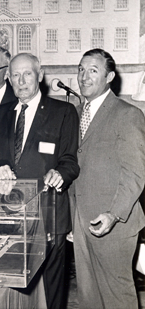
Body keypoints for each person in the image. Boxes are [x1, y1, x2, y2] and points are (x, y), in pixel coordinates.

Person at [0, 53, 80, 309]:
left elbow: (70, 161)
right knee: (12, 287)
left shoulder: (63, 112)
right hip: (8, 214)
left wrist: (59, 174)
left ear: (40, 75)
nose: (21, 80)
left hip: (50, 214)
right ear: (9, 78)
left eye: (27, 74)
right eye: (15, 75)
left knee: (51, 290)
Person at [71, 49, 145, 309]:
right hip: (81, 222)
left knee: (117, 296)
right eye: (81, 69)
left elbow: (135, 173)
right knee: (89, 296)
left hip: (114, 222)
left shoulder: (128, 114)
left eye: (93, 70)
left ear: (110, 76)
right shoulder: (75, 113)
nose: (84, 76)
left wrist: (113, 214)